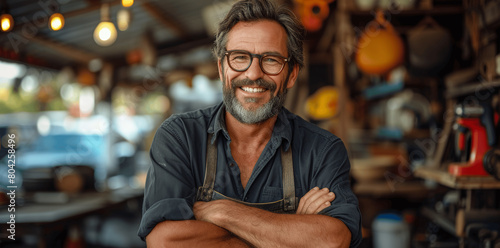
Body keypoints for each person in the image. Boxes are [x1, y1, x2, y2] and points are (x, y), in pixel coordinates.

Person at [138, 0, 362, 247]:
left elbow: (333, 241)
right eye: (240, 57)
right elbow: (164, 241)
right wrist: (290, 230)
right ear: (222, 69)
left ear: (292, 74)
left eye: (271, 60)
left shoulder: (323, 150)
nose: (253, 73)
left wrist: (223, 213)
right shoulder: (181, 137)